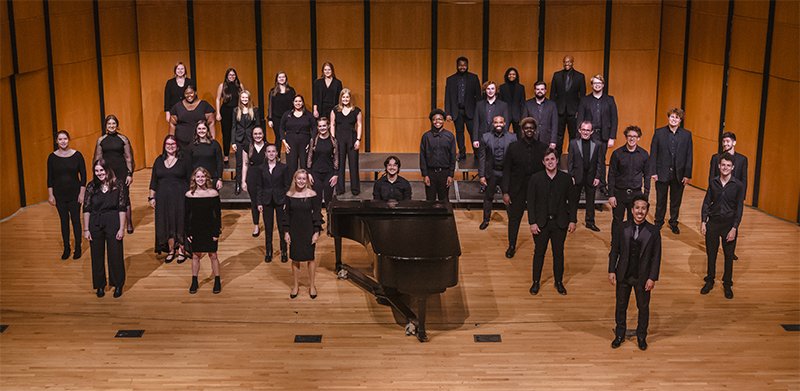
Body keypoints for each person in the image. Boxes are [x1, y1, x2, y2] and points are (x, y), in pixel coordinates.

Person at [609, 195, 661, 351]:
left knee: (643, 307)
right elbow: (614, 250)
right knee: (621, 306)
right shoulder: (622, 227)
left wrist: (652, 278)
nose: (640, 211)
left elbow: (656, 257)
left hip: (642, 277)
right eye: (637, 208)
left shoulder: (654, 231)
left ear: (647, 210)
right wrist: (612, 270)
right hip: (623, 274)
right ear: (632, 210)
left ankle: (641, 336)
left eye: (643, 208)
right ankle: (619, 335)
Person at [527, 148, 578, 296]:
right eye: (547, 159)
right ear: (543, 162)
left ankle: (559, 282)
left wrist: (573, 220)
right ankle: (535, 282)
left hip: (560, 223)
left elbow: (572, 202)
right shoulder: (535, 179)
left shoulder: (566, 179)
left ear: (557, 161)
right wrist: (532, 222)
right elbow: (531, 202)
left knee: (558, 254)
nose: (550, 162)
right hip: (541, 224)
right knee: (539, 254)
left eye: (552, 159)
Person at [501, 117, 547, 258]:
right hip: (517, 189)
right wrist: (505, 192)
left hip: (536, 190)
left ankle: (539, 246)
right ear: (522, 130)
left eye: (531, 128)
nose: (529, 130)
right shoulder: (513, 147)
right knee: (514, 219)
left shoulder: (543, 148)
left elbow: (547, 171)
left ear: (535, 130)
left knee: (539, 218)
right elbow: (506, 170)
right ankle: (512, 246)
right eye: (526, 128)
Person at [701, 153, 744, 300]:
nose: (725, 168)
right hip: (713, 222)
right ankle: (710, 280)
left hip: (729, 225)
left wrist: (734, 228)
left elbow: (739, 208)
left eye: (728, 165)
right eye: (723, 165)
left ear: (732, 167)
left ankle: (727, 283)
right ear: (719, 166)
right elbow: (707, 202)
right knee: (711, 254)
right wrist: (703, 221)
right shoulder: (713, 182)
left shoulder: (738, 185)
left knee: (728, 256)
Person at [83, 159, 127, 298]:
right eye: (96, 171)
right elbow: (86, 208)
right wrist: (86, 229)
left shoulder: (117, 185)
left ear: (107, 170)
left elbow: (122, 207)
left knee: (115, 254)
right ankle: (100, 285)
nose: (99, 173)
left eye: (101, 170)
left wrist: (121, 228)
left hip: (113, 221)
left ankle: (118, 284)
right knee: (97, 256)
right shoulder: (91, 186)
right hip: (96, 222)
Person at [149, 135, 192, 263]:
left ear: (177, 146)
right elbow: (153, 181)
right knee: (167, 223)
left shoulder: (184, 160)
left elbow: (190, 179)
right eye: (167, 143)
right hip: (163, 198)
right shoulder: (158, 161)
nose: (170, 146)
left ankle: (182, 250)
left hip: (180, 196)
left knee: (180, 222)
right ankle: (171, 250)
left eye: (173, 144)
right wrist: (151, 197)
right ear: (164, 146)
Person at [650, 108, 693, 234]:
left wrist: (687, 174)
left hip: (678, 174)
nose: (674, 119)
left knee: (676, 201)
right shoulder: (659, 133)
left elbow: (689, 156)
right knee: (660, 200)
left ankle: (673, 222)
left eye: (677, 117)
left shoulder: (686, 134)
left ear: (680, 120)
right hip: (662, 172)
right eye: (672, 116)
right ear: (668, 117)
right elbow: (653, 153)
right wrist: (653, 171)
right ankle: (658, 222)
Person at [282, 170, 323, 299]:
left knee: (310, 257)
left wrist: (316, 232)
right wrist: (286, 232)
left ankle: (312, 286)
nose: (301, 181)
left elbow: (317, 214)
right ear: (294, 179)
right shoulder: (289, 195)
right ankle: (295, 286)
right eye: (299, 178)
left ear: (307, 180)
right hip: (294, 230)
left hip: (308, 230)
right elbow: (286, 215)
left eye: (304, 179)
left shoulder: (313, 194)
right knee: (295, 258)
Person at [709, 132, 747, 260]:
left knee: (734, 223)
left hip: (735, 196)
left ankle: (730, 251)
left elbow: (744, 179)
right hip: (719, 195)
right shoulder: (716, 158)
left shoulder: (742, 159)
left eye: (728, 141)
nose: (725, 144)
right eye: (724, 141)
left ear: (734, 143)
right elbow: (712, 177)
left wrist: (742, 198)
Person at [48, 130, 86, 259]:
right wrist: (50, 195)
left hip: (75, 194)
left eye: (65, 139)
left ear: (68, 139)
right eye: (60, 139)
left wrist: (82, 193)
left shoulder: (77, 155)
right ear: (56, 141)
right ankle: (66, 247)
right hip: (60, 195)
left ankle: (78, 248)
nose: (63, 141)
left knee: (76, 221)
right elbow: (50, 178)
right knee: (64, 221)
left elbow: (84, 176)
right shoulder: (52, 157)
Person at [94, 114, 135, 234]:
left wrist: (129, 173)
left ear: (117, 125)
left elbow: (128, 157)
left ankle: (129, 222)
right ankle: (113, 221)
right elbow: (98, 157)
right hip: (107, 172)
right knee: (109, 195)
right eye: (109, 124)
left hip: (121, 171)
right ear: (106, 126)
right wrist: (99, 173)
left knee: (124, 197)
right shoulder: (101, 140)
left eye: (113, 123)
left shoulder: (123, 139)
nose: (111, 126)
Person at [577, 74, 618, 192]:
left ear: (603, 85)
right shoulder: (585, 100)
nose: (597, 85)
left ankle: (601, 185)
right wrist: (581, 134)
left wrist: (612, 137)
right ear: (592, 85)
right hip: (588, 134)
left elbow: (614, 119)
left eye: (599, 83)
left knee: (601, 160)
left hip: (604, 135)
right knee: (586, 159)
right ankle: (584, 184)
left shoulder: (610, 100)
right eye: (595, 83)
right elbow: (580, 118)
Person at [607, 125, 651, 236]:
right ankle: (615, 245)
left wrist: (645, 196)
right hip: (619, 193)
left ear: (639, 138)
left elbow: (647, 176)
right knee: (617, 221)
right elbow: (611, 175)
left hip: (636, 193)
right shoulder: (617, 154)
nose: (632, 139)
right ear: (626, 137)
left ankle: (631, 244)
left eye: (635, 136)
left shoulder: (644, 154)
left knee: (634, 222)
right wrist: (611, 194)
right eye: (629, 136)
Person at [185, 167, 222, 294]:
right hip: (196, 229)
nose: (200, 179)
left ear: (206, 178)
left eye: (202, 176)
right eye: (198, 177)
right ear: (194, 179)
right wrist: (188, 232)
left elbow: (217, 215)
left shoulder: (213, 194)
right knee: (195, 256)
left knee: (213, 255)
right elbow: (186, 215)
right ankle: (194, 281)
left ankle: (217, 280)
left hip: (210, 228)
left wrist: (216, 231)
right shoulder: (189, 195)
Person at [478, 116, 516, 230]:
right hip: (492, 172)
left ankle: (512, 221)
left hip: (506, 173)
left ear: (504, 123)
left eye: (500, 122)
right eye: (496, 122)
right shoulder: (486, 137)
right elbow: (482, 158)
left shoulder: (513, 137)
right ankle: (486, 220)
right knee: (488, 197)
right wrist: (481, 175)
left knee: (509, 198)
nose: (498, 124)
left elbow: (515, 157)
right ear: (493, 124)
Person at [567, 121, 605, 232]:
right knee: (574, 201)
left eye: (588, 130)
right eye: (583, 129)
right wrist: (571, 175)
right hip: (577, 176)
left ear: (592, 131)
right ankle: (572, 221)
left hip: (591, 177)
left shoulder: (598, 144)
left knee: (590, 201)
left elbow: (600, 162)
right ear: (579, 130)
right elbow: (570, 161)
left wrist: (598, 177)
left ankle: (590, 222)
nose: (585, 132)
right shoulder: (573, 143)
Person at [257, 143, 290, 263]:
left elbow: (287, 185)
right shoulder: (261, 168)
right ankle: (269, 252)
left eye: (273, 151)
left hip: (280, 199)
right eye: (269, 152)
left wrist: (287, 201)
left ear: (277, 153)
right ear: (265, 154)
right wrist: (259, 202)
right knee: (268, 227)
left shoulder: (283, 168)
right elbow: (259, 186)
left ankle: (284, 251)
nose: (271, 154)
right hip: (266, 200)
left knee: (282, 228)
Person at [444, 57, 481, 160]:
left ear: (467, 65)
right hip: (457, 111)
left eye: (464, 65)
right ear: (457, 66)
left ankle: (477, 153)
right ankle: (462, 153)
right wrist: (447, 113)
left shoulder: (474, 78)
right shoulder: (450, 79)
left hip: (471, 111)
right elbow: (447, 97)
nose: (462, 67)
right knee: (459, 133)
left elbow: (478, 96)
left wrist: (479, 112)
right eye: (460, 65)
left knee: (474, 132)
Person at [330, 88, 362, 196]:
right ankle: (340, 189)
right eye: (343, 97)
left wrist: (358, 139)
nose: (345, 99)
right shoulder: (335, 110)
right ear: (341, 98)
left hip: (352, 138)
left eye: (347, 97)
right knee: (340, 164)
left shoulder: (356, 110)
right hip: (339, 138)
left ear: (350, 98)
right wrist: (333, 139)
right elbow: (332, 125)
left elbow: (359, 125)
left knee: (353, 164)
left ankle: (355, 189)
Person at [420, 109, 457, 202]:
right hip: (430, 173)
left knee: (444, 201)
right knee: (430, 201)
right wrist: (425, 174)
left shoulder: (450, 136)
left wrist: (451, 175)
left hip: (444, 173)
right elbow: (422, 157)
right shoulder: (426, 136)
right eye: (434, 119)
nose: (437, 121)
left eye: (440, 119)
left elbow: (453, 156)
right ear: (432, 121)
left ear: (444, 120)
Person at [550, 55, 586, 146]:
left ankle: (572, 159)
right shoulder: (556, 75)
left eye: (569, 61)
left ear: (573, 63)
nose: (567, 64)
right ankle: (557, 158)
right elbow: (552, 94)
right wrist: (553, 110)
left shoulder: (580, 76)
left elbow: (582, 97)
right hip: (559, 111)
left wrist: (579, 111)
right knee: (558, 136)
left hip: (573, 112)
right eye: (565, 62)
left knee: (573, 136)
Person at [169, 84, 216, 153]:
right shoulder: (178, 106)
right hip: (182, 144)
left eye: (191, 93)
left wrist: (212, 141)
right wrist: (171, 141)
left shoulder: (204, 105)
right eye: (186, 94)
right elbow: (172, 124)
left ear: (195, 93)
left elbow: (211, 123)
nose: (189, 95)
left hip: (200, 143)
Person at [232, 90, 260, 195]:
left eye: (246, 97)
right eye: (242, 98)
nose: (244, 99)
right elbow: (233, 127)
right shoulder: (235, 110)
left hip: (250, 139)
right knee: (239, 163)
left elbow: (257, 125)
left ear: (249, 98)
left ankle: (251, 183)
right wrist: (233, 141)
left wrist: (258, 139)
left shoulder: (255, 110)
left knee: (252, 161)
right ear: (240, 99)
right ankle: (238, 184)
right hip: (239, 139)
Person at [242, 127, 269, 238]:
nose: (258, 136)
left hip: (266, 176)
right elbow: (245, 164)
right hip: (252, 176)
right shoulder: (247, 147)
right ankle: (256, 225)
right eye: (255, 134)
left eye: (260, 133)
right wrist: (243, 181)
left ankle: (268, 225)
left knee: (266, 202)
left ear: (263, 134)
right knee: (254, 202)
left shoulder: (268, 146)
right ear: (252, 135)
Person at [281, 94, 315, 175]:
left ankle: (306, 186)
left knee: (305, 165)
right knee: (291, 166)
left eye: (300, 101)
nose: (298, 103)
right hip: (290, 142)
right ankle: (292, 186)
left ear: (303, 103)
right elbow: (281, 128)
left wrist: (311, 143)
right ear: (293, 103)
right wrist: (284, 143)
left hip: (305, 142)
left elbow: (314, 128)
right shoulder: (287, 114)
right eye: (296, 101)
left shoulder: (308, 114)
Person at [307, 117, 338, 206]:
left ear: (328, 126)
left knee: (329, 199)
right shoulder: (314, 141)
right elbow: (310, 157)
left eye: (324, 126)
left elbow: (336, 158)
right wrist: (309, 173)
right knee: (316, 199)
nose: (322, 128)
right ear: (317, 127)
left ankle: (329, 219)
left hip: (329, 173)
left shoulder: (334, 141)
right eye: (320, 126)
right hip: (316, 173)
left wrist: (335, 174)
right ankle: (317, 219)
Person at [215, 68, 244, 165]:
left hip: (237, 111)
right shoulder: (222, 86)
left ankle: (239, 154)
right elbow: (218, 99)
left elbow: (244, 99)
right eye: (230, 75)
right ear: (227, 76)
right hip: (226, 111)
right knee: (226, 134)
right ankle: (226, 155)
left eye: (233, 75)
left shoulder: (240, 86)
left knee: (238, 133)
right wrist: (218, 113)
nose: (232, 76)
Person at [472, 81, 510, 150]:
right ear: (485, 90)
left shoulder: (503, 105)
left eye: (492, 89)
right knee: (481, 159)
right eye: (488, 89)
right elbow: (476, 123)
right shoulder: (479, 105)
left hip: (497, 137)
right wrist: (475, 139)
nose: (490, 91)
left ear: (496, 90)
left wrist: (504, 138)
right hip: (482, 137)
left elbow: (506, 123)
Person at [267, 71, 296, 157]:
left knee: (290, 137)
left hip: (289, 117)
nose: (281, 79)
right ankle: (277, 157)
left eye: (283, 77)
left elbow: (294, 104)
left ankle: (291, 157)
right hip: (276, 117)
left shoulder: (291, 90)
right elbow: (270, 105)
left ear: (286, 78)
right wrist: (270, 119)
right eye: (279, 77)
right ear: (277, 79)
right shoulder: (273, 91)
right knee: (278, 138)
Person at [522, 81, 558, 148]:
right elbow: (524, 123)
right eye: (538, 89)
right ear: (535, 90)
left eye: (542, 89)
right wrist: (524, 139)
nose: (540, 91)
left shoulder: (552, 105)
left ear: (545, 91)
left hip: (546, 138)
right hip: (531, 137)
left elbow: (554, 124)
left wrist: (553, 141)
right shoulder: (527, 104)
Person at [189, 121, 224, 191]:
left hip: (211, 179)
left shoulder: (215, 144)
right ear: (196, 130)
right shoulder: (191, 146)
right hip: (197, 181)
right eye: (199, 129)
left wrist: (220, 179)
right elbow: (188, 165)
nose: (201, 131)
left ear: (207, 130)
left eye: (203, 128)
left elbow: (219, 163)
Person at [497, 67, 526, 136]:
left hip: (517, 116)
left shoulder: (521, 87)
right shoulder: (502, 87)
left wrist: (522, 118)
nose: (511, 76)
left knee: (519, 136)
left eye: (513, 74)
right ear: (507, 75)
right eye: (510, 74)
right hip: (505, 115)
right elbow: (500, 103)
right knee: (503, 135)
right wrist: (501, 117)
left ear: (516, 76)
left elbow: (523, 103)